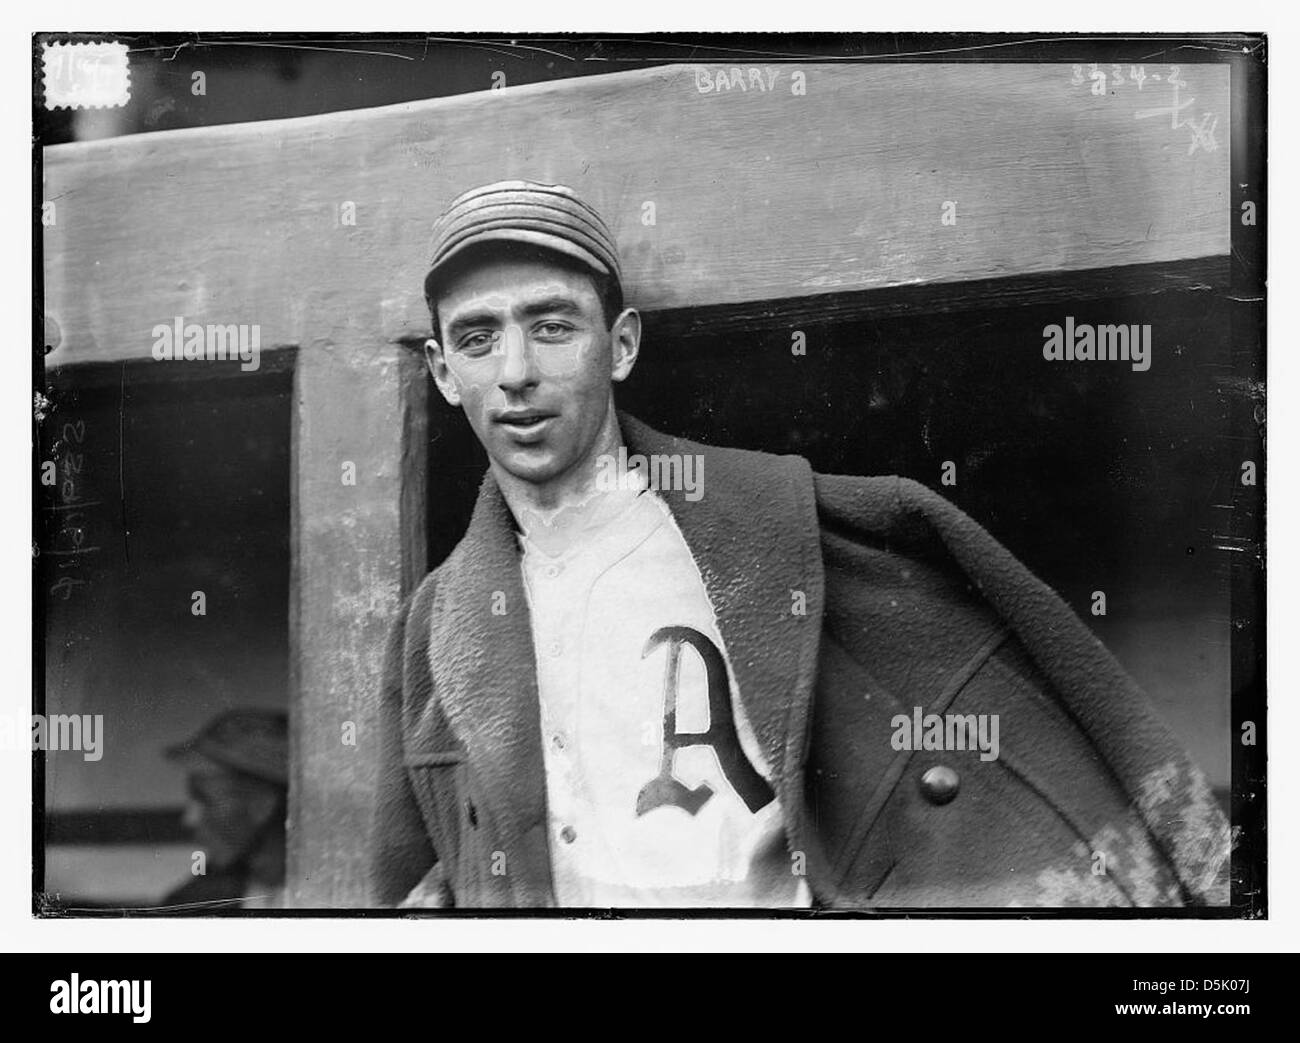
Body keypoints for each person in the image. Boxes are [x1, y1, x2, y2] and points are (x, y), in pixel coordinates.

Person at [371, 180, 1229, 909]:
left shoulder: (798, 531)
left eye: (552, 325)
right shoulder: (434, 630)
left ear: (621, 345)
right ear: (446, 373)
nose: (515, 369)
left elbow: (1015, 761)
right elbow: (411, 882)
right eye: (479, 338)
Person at [162, 709, 288, 912]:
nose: (190, 819)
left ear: (262, 804)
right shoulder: (195, 902)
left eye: (206, 799)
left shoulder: (337, 896)